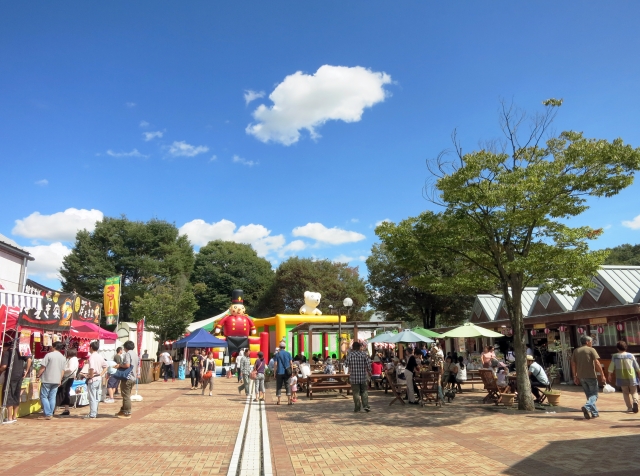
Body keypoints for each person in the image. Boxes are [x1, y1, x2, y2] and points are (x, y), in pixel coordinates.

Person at [571, 335, 606, 419]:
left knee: (589, 395)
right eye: (591, 341)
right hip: (591, 375)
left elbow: (573, 364)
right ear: (587, 342)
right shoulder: (591, 350)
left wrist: (575, 376)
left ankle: (594, 412)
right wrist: (602, 374)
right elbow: (597, 363)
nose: (592, 343)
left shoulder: (576, 351)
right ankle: (587, 406)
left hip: (581, 376)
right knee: (594, 394)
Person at [0, 340, 32, 424]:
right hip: (19, 375)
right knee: (16, 394)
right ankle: (14, 416)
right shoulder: (22, 351)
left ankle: (9, 417)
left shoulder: (7, 352)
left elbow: (4, 366)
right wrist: (26, 370)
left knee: (8, 394)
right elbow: (29, 359)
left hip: (10, 375)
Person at [36, 341, 66, 420]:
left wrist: (38, 375)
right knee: (52, 397)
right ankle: (50, 413)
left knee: (44, 396)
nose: (50, 347)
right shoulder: (63, 357)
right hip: (56, 379)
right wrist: (60, 379)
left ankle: (48, 413)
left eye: (51, 346)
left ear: (54, 346)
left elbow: (43, 367)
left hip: (47, 379)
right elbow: (63, 370)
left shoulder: (49, 355)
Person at [608, 340, 640, 413]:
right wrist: (639, 373)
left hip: (620, 377)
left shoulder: (615, 356)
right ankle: (635, 402)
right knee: (634, 391)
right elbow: (636, 366)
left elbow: (611, 366)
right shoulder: (631, 355)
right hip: (631, 376)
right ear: (626, 347)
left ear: (617, 348)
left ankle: (629, 407)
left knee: (625, 393)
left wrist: (610, 374)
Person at [345, 342, 372, 413]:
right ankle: (366, 406)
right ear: (359, 347)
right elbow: (368, 365)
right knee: (364, 392)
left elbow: (346, 364)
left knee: (356, 393)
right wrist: (370, 372)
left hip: (354, 378)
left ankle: (357, 407)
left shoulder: (350, 355)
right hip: (363, 377)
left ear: (353, 347)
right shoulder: (364, 355)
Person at [115, 340, 139, 419]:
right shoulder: (135, 354)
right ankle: (123, 410)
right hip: (133, 377)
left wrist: (120, 365)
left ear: (125, 347)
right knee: (126, 394)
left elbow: (127, 365)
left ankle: (127, 412)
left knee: (126, 396)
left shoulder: (128, 354)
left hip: (127, 377)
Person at [85, 341, 107, 419]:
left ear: (91, 347)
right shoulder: (100, 356)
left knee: (92, 397)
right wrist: (101, 374)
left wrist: (90, 376)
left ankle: (92, 414)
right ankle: (94, 412)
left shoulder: (92, 357)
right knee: (96, 397)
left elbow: (92, 368)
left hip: (93, 378)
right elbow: (105, 366)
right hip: (98, 378)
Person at [56, 348, 78, 415]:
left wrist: (62, 370)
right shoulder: (75, 359)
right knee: (65, 393)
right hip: (70, 378)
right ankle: (66, 409)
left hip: (67, 377)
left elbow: (70, 369)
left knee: (62, 393)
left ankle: (57, 407)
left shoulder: (72, 359)